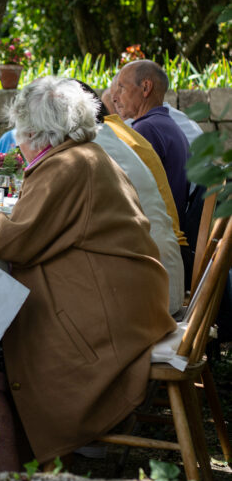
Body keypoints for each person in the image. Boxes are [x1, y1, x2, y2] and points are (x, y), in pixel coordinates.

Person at [0, 77, 175, 471]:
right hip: (126, 304)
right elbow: (29, 233)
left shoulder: (65, 165)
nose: (16, 142)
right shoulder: (85, 155)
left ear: (35, 131)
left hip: (105, 323)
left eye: (19, 132)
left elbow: (17, 241)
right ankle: (28, 465)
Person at [75, 83, 184, 315]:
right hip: (162, 278)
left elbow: (43, 225)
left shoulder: (87, 150)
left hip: (148, 301)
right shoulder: (113, 136)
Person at [112, 61, 190, 224]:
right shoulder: (167, 125)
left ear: (146, 87)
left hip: (156, 232)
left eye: (121, 88)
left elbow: (129, 191)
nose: (114, 97)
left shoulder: (146, 129)